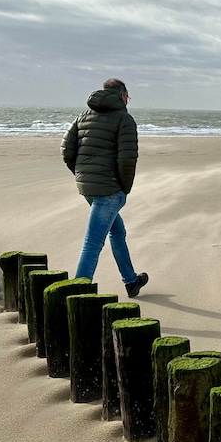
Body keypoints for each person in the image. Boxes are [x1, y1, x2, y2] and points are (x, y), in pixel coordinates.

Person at [61, 78, 148, 298]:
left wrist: (83, 176)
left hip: (89, 189)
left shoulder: (83, 116)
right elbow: (127, 159)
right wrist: (123, 188)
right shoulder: (124, 119)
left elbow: (66, 150)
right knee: (93, 242)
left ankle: (131, 281)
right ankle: (78, 296)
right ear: (122, 95)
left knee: (117, 231)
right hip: (109, 190)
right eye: (128, 96)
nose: (128, 101)